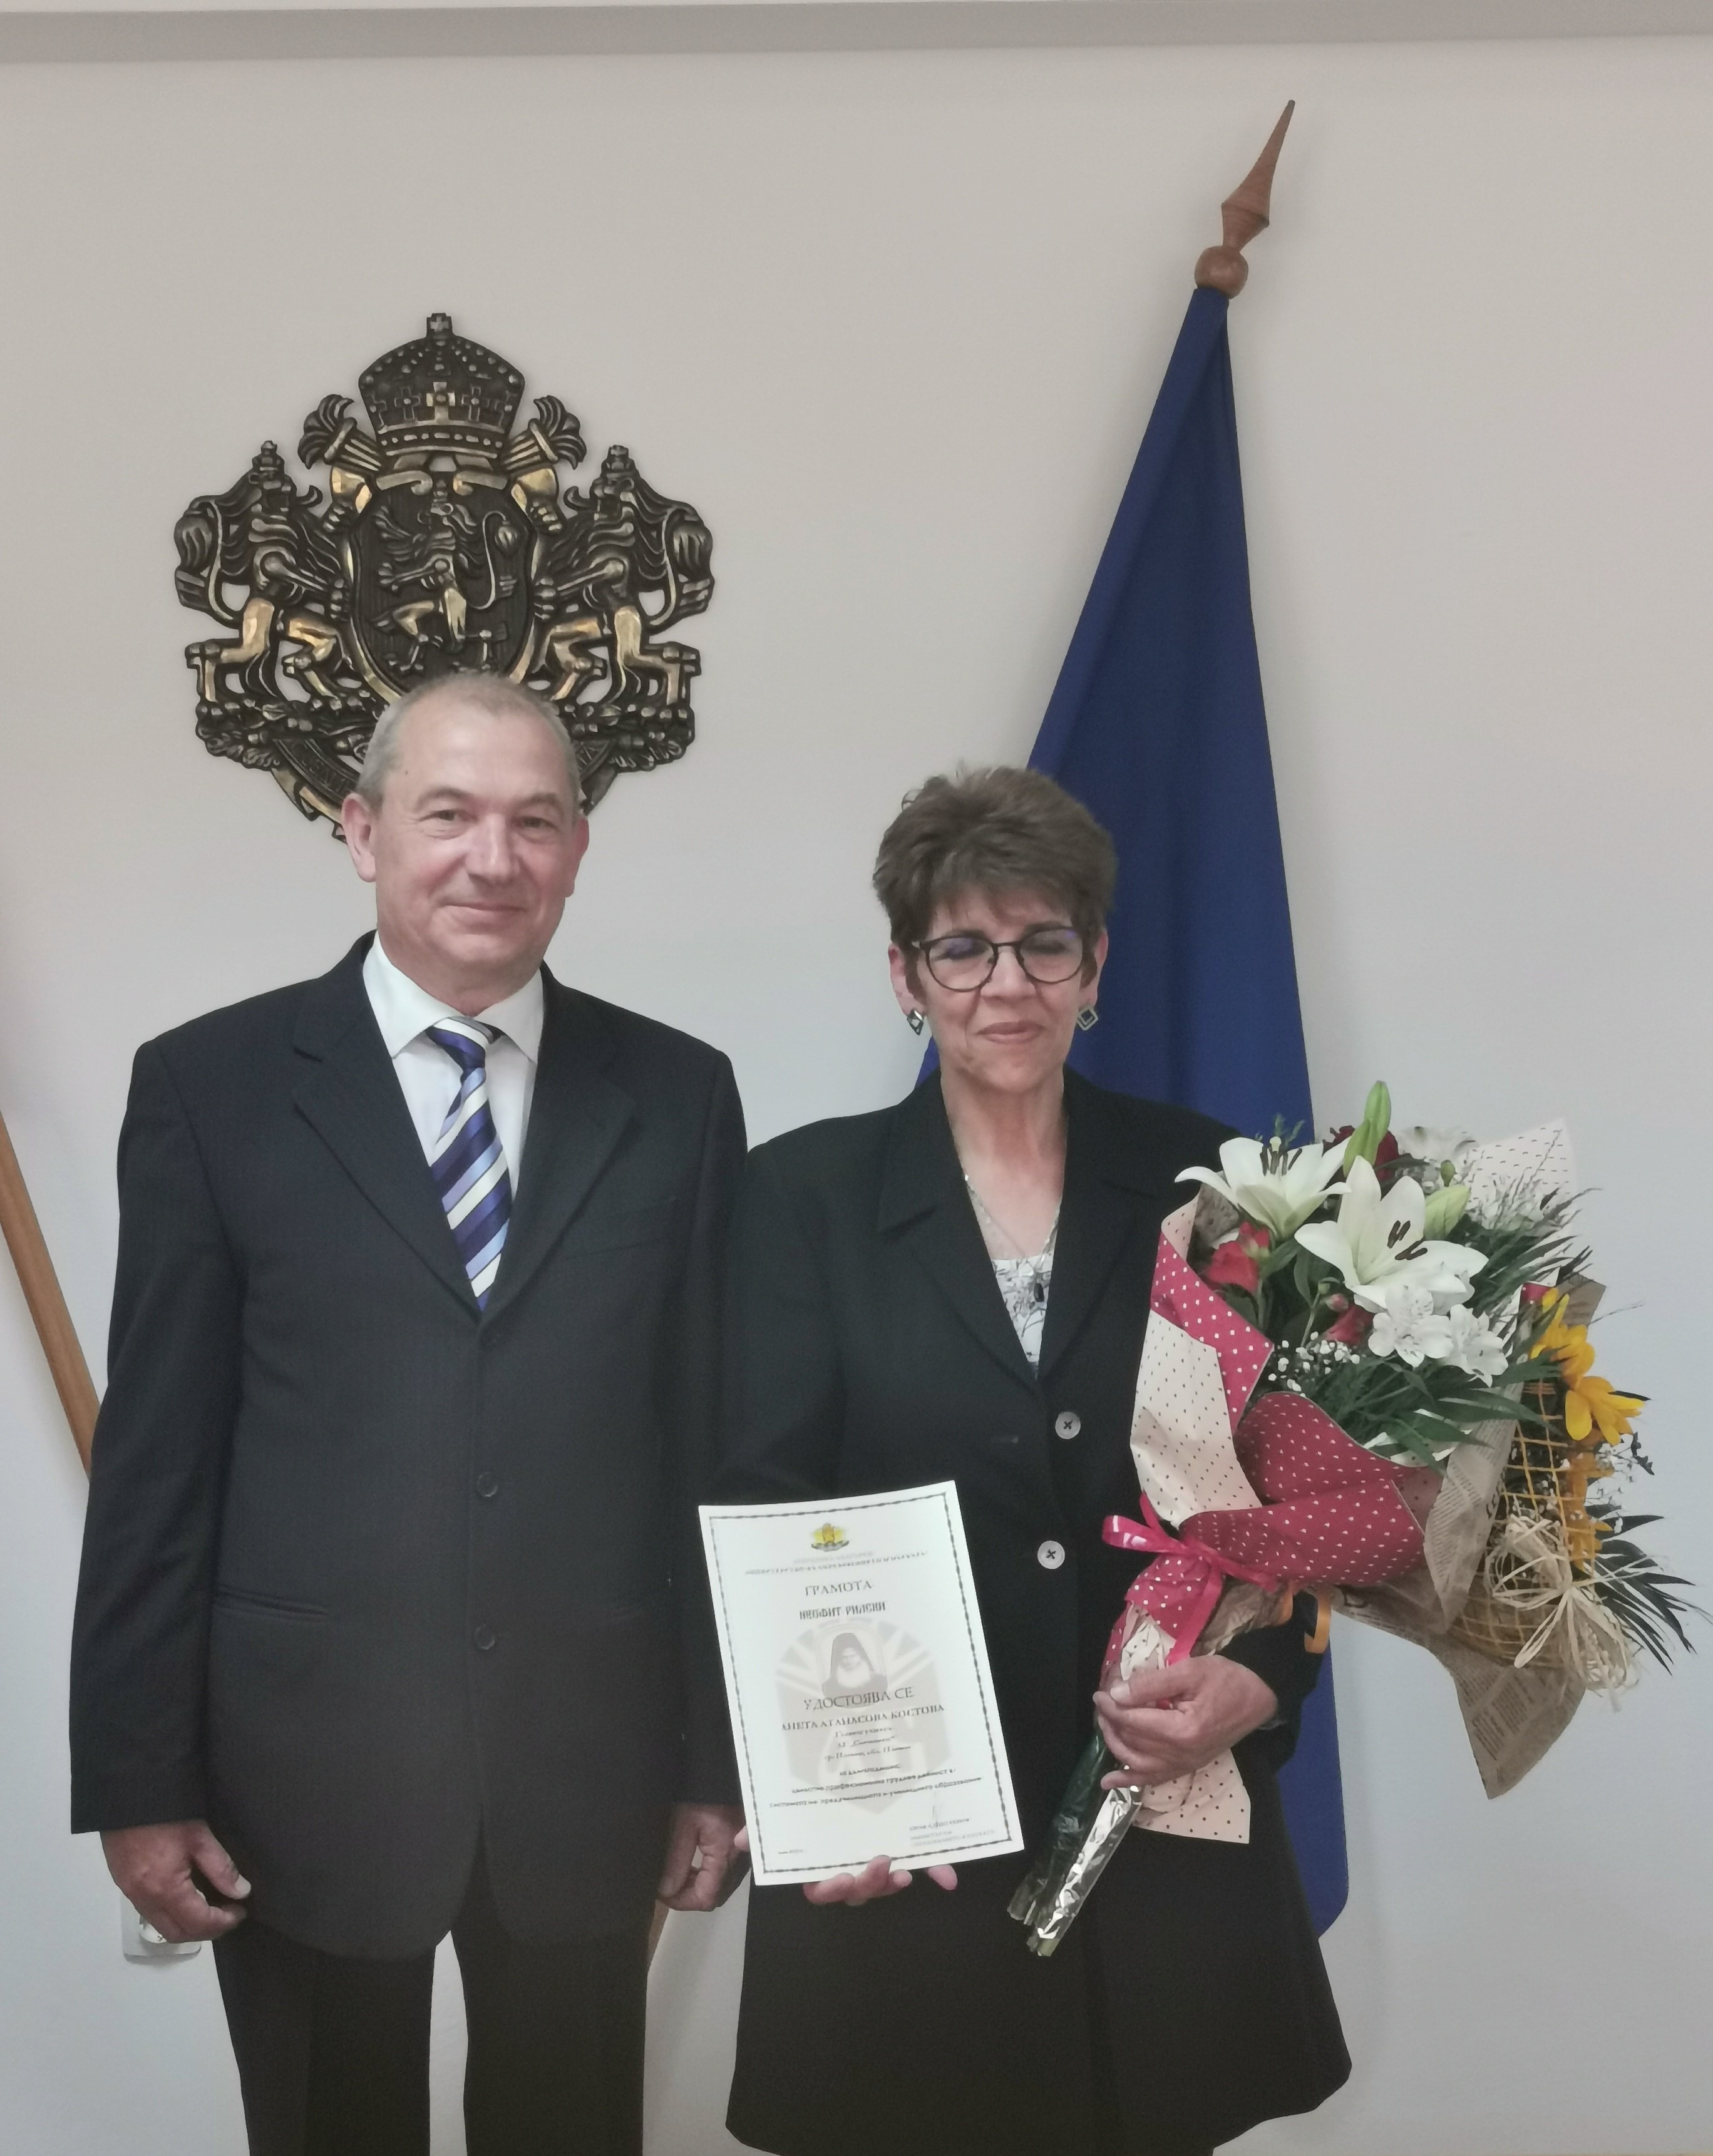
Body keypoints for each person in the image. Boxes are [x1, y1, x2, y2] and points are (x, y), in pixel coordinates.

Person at [69, 675, 745, 2156]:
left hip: (589, 1775)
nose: (491, 859)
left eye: (535, 821)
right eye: (449, 815)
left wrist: (717, 1759)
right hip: (295, 1781)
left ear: (579, 850)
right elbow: (157, 1467)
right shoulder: (210, 1088)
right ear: (362, 830)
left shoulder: (681, 1096)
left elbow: (702, 1452)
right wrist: (136, 1780)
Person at [717, 767, 1349, 2156]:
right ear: (907, 975)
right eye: (964, 948)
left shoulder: (1212, 1186)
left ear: (1094, 965)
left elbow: (1299, 1496)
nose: (1007, 983)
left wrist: (1262, 1680)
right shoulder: (799, 1198)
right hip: (909, 1831)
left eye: (1043, 943)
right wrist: (825, 1800)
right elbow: (765, 1510)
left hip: (1154, 1815)